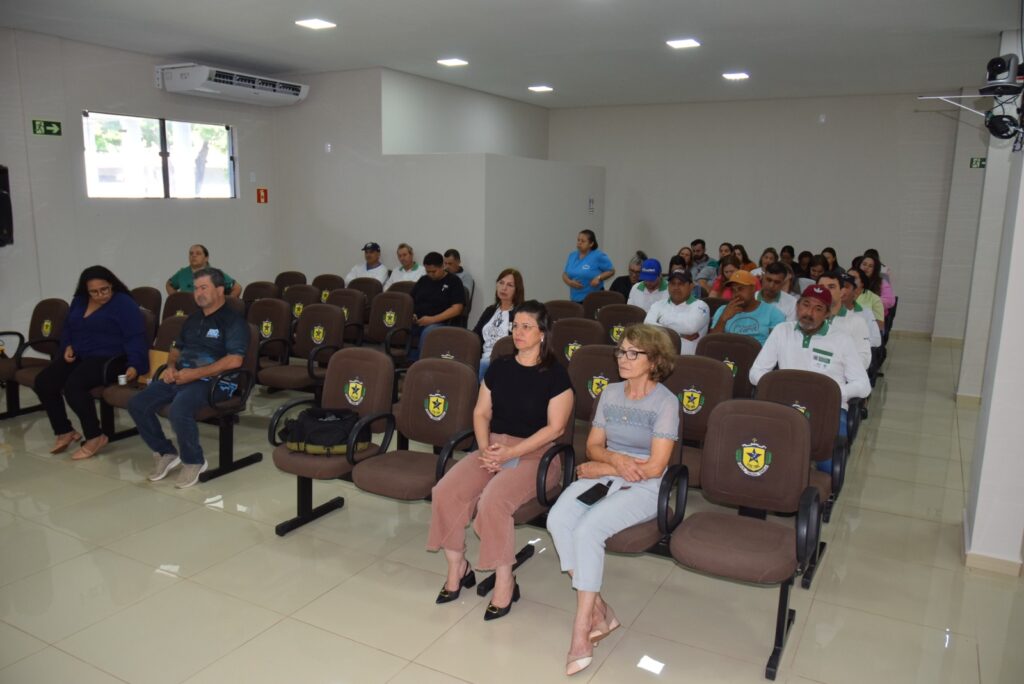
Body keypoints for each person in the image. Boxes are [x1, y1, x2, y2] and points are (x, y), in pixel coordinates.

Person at [428, 301, 573, 621]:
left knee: (493, 501)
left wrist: (511, 454)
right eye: (515, 326)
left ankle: (506, 580)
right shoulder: (500, 366)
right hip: (493, 448)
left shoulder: (556, 375)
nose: (517, 333)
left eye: (525, 327)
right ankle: (458, 567)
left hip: (538, 455)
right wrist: (485, 449)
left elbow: (556, 428)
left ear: (543, 333)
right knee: (445, 491)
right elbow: (481, 412)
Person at [547, 324, 678, 676]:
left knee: (588, 529)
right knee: (557, 519)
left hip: (647, 486)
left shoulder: (666, 402)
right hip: (608, 473)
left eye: (633, 353)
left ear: (655, 360)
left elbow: (656, 466)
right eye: (621, 351)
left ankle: (580, 630)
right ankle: (599, 608)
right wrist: (613, 462)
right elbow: (593, 446)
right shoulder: (610, 392)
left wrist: (613, 464)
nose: (623, 358)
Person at [128, 268, 249, 488]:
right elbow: (176, 350)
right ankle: (166, 452)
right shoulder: (192, 319)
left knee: (179, 410)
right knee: (138, 403)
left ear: (220, 290)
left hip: (216, 382)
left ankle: (194, 461)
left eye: (204, 288)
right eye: (195, 288)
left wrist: (194, 374)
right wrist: (171, 367)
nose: (198, 293)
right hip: (182, 377)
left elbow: (234, 361)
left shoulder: (233, 321)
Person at [749, 285, 871, 472]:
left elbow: (863, 385)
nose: (809, 313)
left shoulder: (842, 339)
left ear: (827, 314)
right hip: (785, 404)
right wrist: (779, 388)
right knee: (759, 449)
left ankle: (822, 494)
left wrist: (831, 394)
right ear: (797, 307)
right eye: (806, 305)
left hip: (827, 409)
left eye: (818, 308)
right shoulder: (782, 331)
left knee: (828, 462)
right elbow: (756, 372)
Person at [34, 266, 148, 460]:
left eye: (104, 289)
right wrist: (68, 346)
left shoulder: (124, 303)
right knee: (44, 382)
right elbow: (68, 328)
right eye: (93, 292)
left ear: (112, 284)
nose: (100, 295)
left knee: (74, 386)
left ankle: (95, 436)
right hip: (81, 355)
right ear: (85, 290)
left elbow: (135, 337)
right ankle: (65, 431)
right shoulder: (79, 301)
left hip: (111, 359)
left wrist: (135, 365)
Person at [409, 252, 466, 359]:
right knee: (397, 324)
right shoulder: (423, 280)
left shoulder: (454, 281)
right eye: (427, 271)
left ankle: (421, 364)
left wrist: (432, 319)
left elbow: (457, 308)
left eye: (434, 271)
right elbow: (410, 300)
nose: (430, 274)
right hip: (419, 320)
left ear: (443, 266)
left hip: (441, 322)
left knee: (429, 333)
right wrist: (412, 314)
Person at [472, 268, 524, 380]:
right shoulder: (490, 310)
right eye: (501, 283)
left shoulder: (520, 314)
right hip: (482, 358)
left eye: (510, 285)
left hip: (504, 359)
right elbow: (475, 335)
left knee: (484, 364)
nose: (504, 288)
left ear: (517, 290)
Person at [709, 269, 785, 345]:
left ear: (753, 289)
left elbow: (778, 347)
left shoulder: (773, 313)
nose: (736, 294)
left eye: (740, 289)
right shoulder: (723, 310)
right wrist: (723, 319)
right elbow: (711, 344)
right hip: (727, 354)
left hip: (759, 355)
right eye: (733, 290)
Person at [645, 269, 710, 354]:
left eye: (681, 284)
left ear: (691, 286)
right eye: (672, 283)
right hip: (661, 357)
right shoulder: (658, 305)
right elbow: (647, 325)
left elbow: (690, 328)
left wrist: (661, 320)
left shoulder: (701, 306)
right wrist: (681, 335)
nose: (676, 288)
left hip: (689, 361)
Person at [817, 272, 871, 369]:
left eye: (831, 287)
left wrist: (836, 368)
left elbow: (864, 359)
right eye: (821, 287)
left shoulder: (856, 321)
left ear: (841, 291)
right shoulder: (807, 319)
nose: (825, 291)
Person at [166, 244, 241, 297]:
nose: (194, 256)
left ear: (206, 258)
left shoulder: (215, 273)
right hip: (186, 312)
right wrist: (176, 299)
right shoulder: (182, 273)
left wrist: (227, 302)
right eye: (191, 253)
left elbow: (237, 288)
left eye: (198, 253)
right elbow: (169, 284)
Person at [562, 230, 614, 303]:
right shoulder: (572, 255)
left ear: (591, 244)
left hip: (593, 298)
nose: (579, 243)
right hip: (575, 298)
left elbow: (611, 271)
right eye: (578, 240)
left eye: (583, 241)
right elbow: (565, 274)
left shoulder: (598, 255)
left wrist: (598, 278)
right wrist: (569, 282)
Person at [837, 272, 881, 348]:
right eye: (838, 287)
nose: (842, 290)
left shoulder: (866, 313)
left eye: (846, 287)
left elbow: (876, 340)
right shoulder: (826, 312)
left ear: (855, 291)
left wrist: (848, 343)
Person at [848, 266, 884, 331]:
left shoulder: (874, 298)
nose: (849, 280)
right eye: (847, 277)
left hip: (865, 333)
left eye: (854, 278)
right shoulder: (840, 294)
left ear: (862, 283)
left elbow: (880, 325)